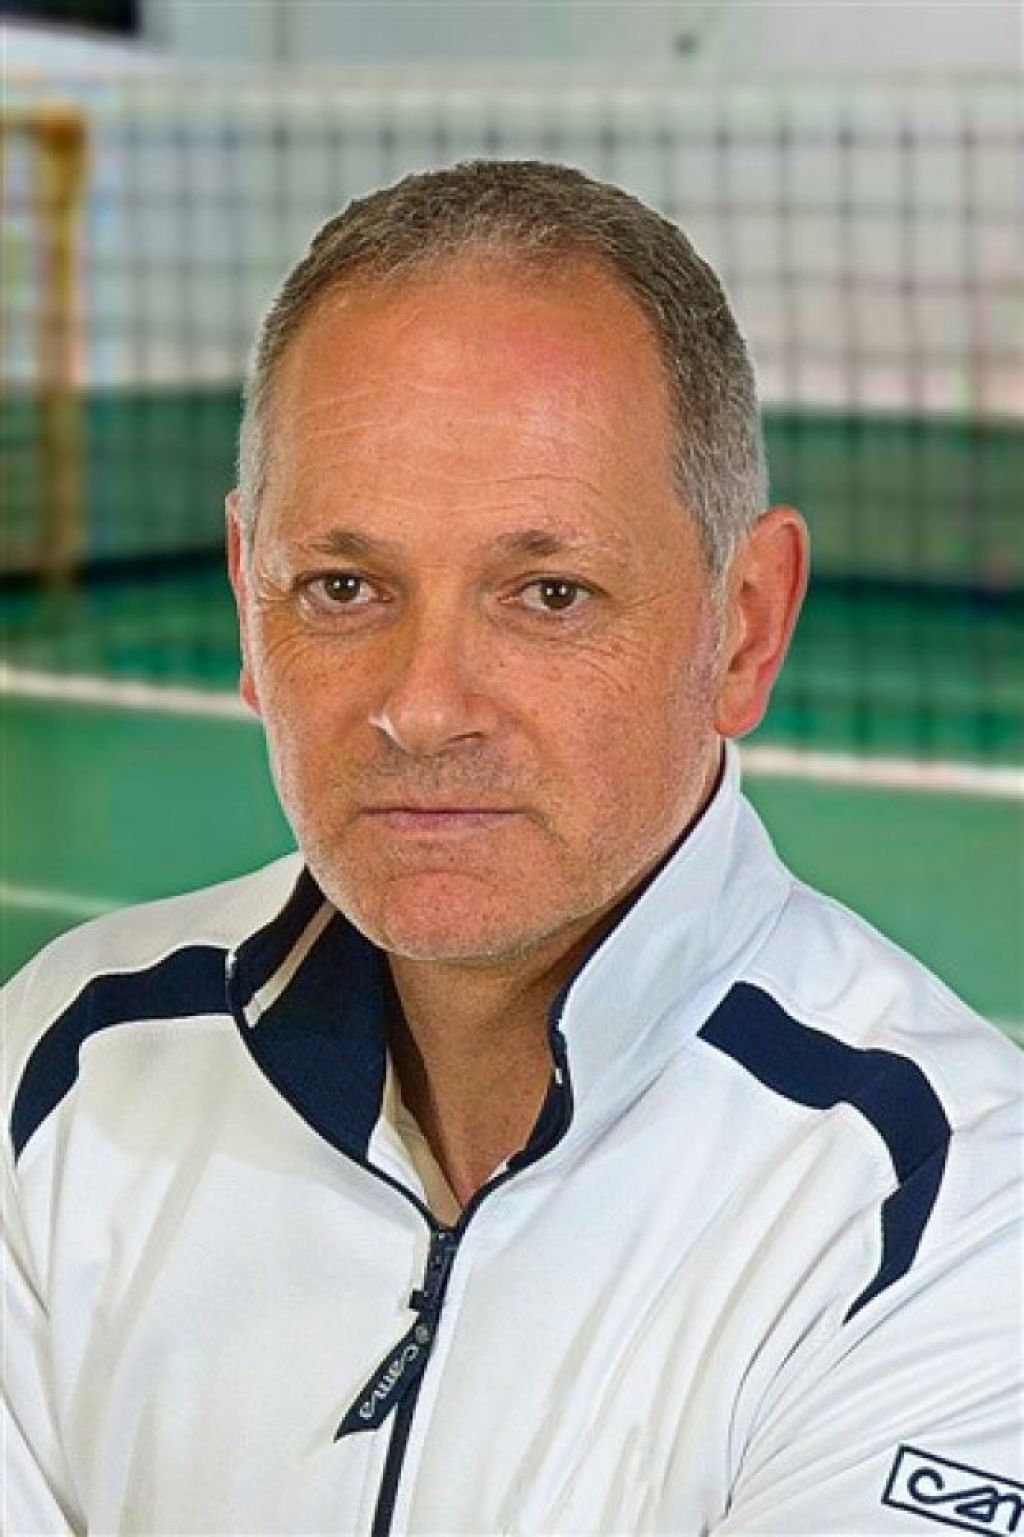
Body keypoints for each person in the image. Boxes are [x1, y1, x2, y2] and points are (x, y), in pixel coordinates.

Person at [3, 160, 1020, 1537]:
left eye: (549, 593)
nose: (423, 708)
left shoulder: (949, 1212)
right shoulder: (61, 1064)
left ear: (745, 625)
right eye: (344, 586)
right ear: (249, 599)